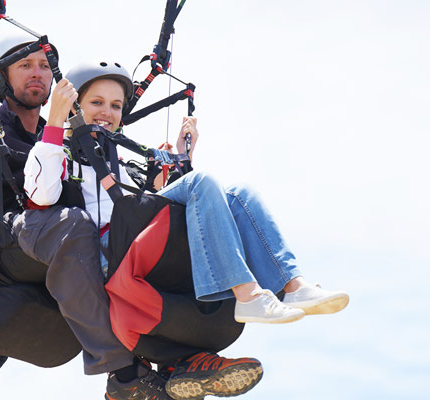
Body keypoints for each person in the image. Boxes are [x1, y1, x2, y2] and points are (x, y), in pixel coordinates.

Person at [24, 60, 350, 399]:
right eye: (97, 103)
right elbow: (41, 194)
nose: (107, 112)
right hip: (113, 256)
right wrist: (56, 121)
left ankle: (292, 285)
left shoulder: (121, 160)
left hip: (143, 242)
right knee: (202, 182)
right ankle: (248, 295)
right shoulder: (56, 151)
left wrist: (181, 158)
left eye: (115, 105)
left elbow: (153, 204)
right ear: (75, 106)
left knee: (240, 194)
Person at [0, 34, 181, 400]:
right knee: (71, 223)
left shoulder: (66, 141)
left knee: (134, 234)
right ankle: (122, 371)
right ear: (2, 79)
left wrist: (154, 185)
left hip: (42, 262)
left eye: (42, 66)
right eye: (25, 66)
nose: (37, 74)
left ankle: (177, 361)